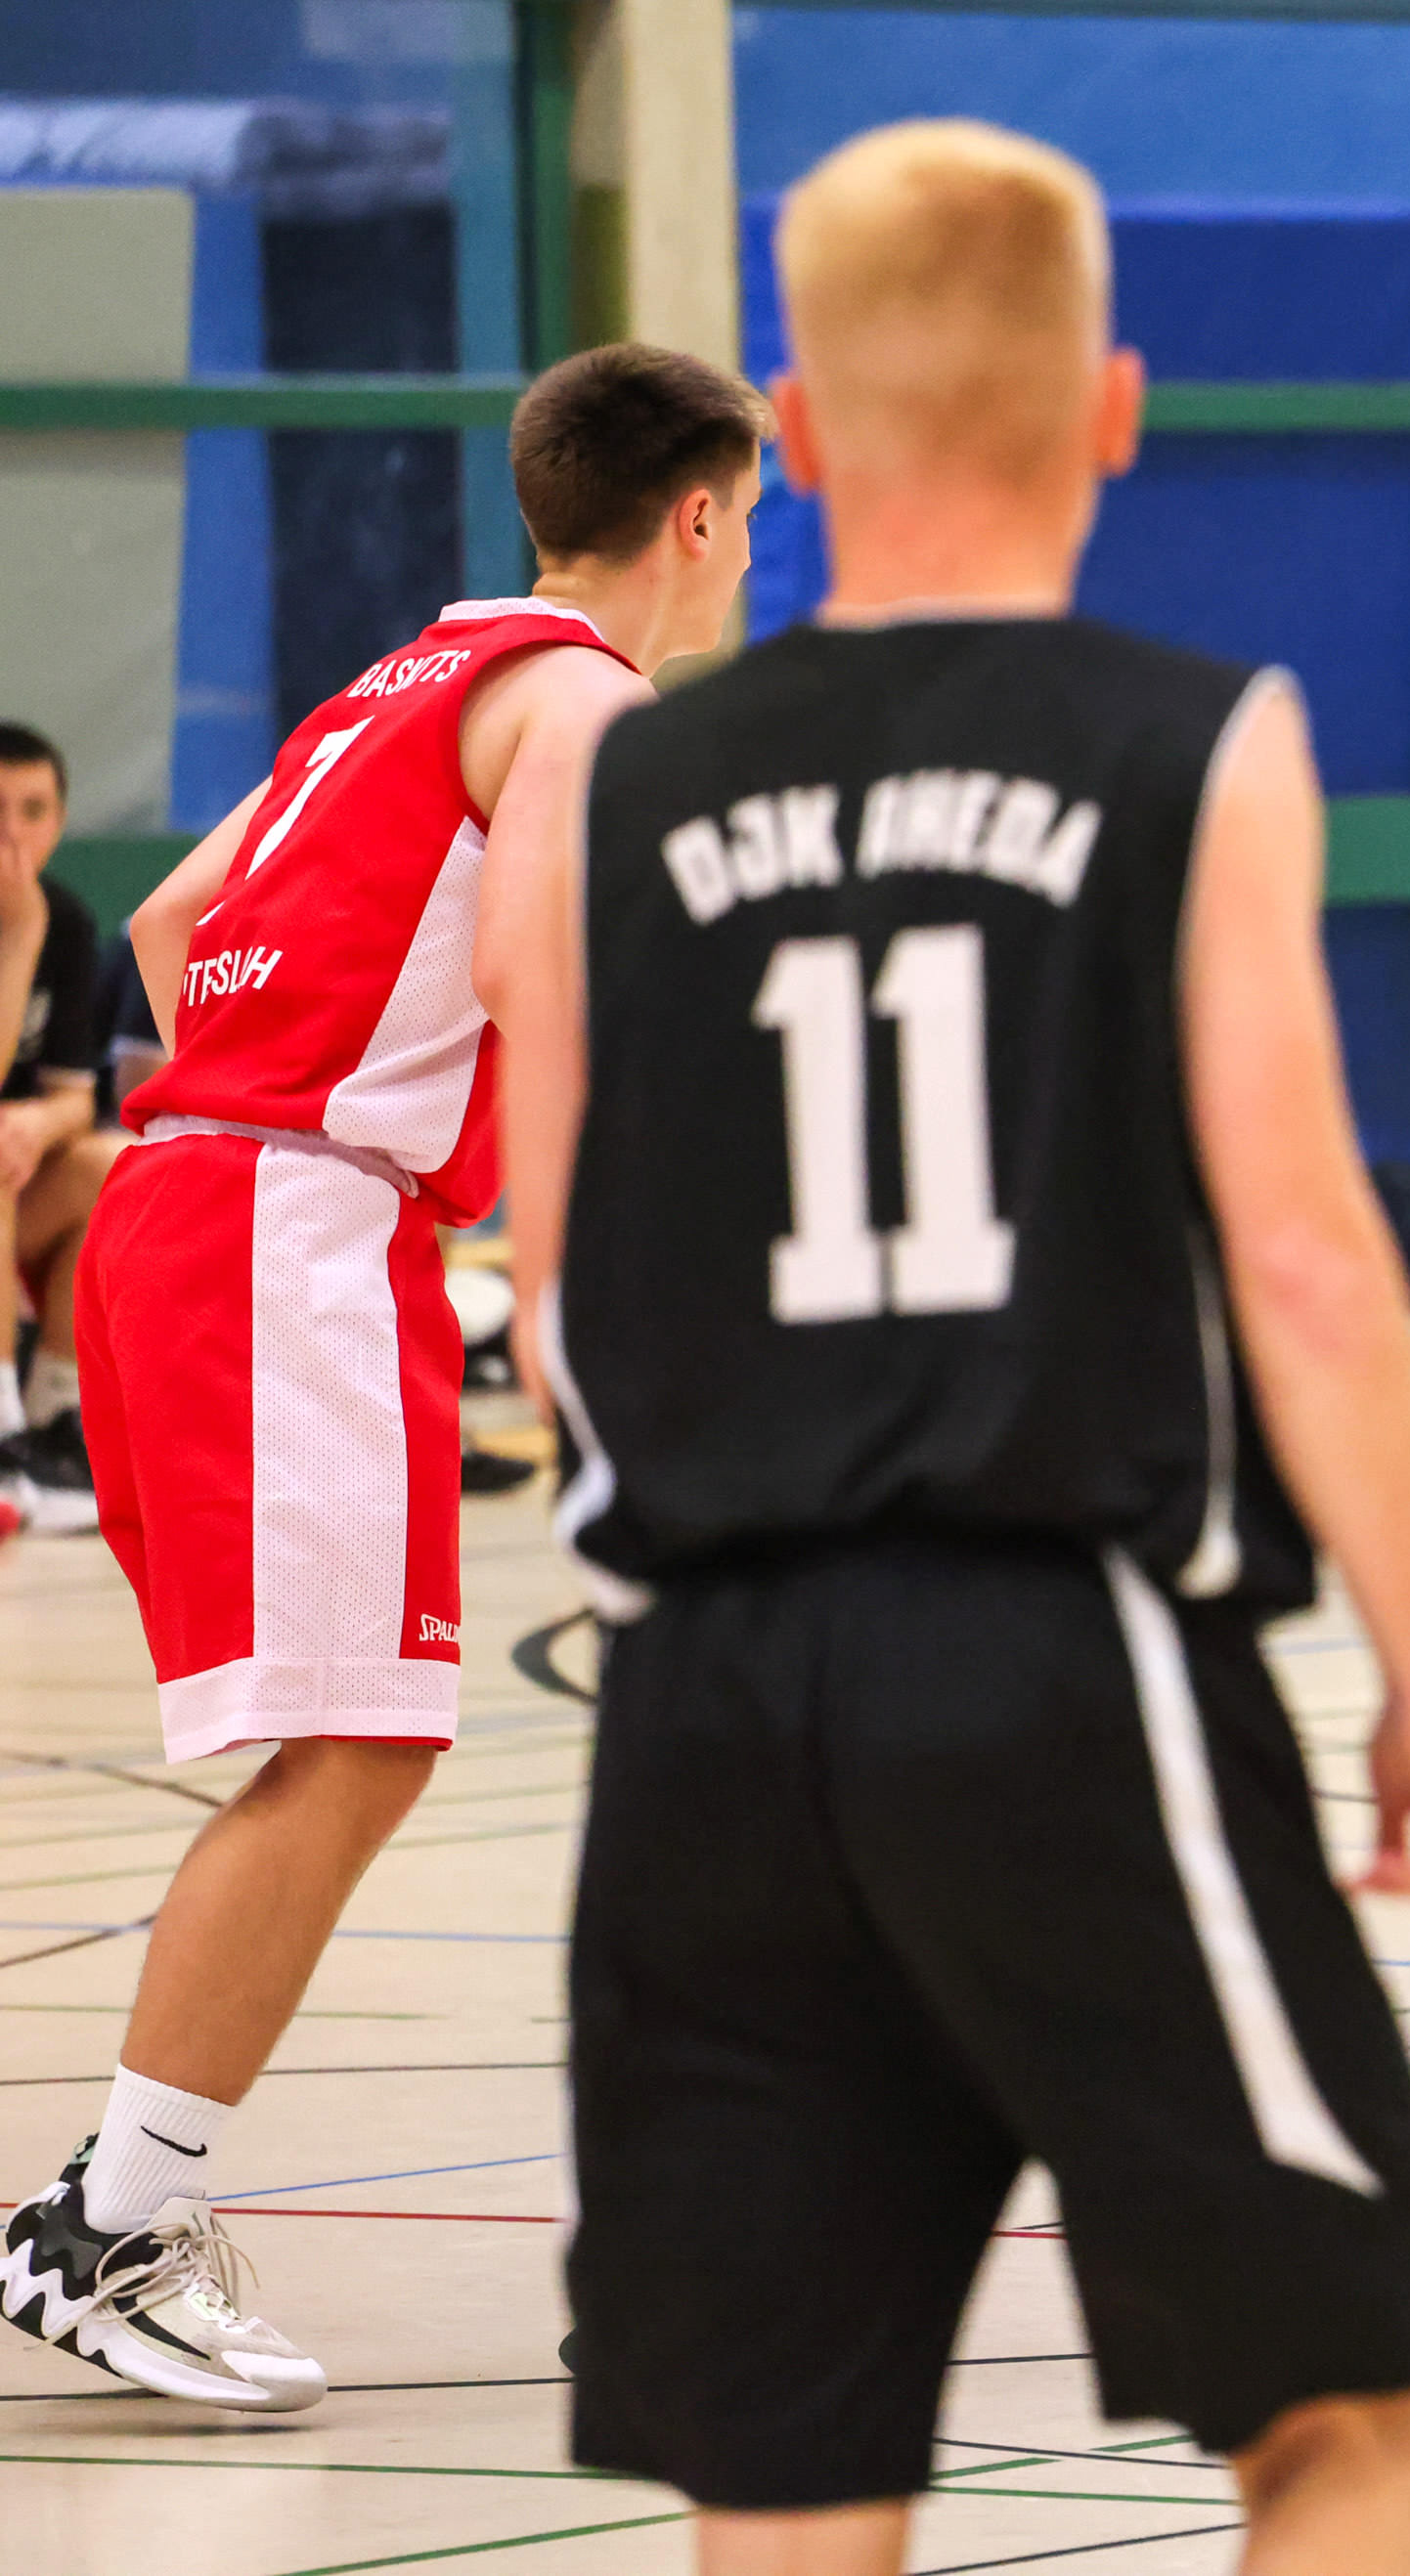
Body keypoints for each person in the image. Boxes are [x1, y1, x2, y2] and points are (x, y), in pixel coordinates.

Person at [483, 119, 1410, 2569]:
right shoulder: (1192, 735)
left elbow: (552, 1273)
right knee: (1347, 2415)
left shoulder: (618, 771)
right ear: (1114, 406)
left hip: (705, 1699)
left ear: (802, 434)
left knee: (790, 2488)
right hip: (1055, 1659)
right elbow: (1303, 1256)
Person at [0, 343, 759, 2411]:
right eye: (749, 521)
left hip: (202, 1200)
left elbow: (173, 925)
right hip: (283, 1228)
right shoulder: (584, 703)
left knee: (358, 1743)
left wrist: (280, 1112)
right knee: (351, 1749)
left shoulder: (397, 683)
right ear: (698, 516)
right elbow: (536, 979)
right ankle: (104, 2224)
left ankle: (114, 2208)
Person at [0, 720, 118, 1533]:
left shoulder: (68, 921)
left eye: (33, 810)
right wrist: (18, 935)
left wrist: (38, 1121)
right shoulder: (35, 924)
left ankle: (53, 1415)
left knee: (114, 1163)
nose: (12, 834)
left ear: (61, 821)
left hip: (15, 1196)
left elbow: (76, 1097)